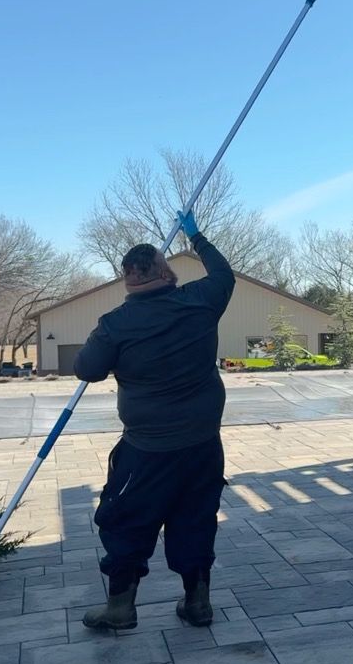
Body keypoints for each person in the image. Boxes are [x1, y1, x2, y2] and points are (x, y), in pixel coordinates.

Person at [74, 210, 235, 631]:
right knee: (196, 519)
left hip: (147, 452)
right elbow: (224, 273)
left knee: (126, 521)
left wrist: (106, 340)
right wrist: (196, 236)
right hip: (202, 447)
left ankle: (121, 608)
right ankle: (197, 603)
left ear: (127, 277)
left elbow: (86, 369)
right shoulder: (201, 301)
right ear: (166, 271)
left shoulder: (115, 325)